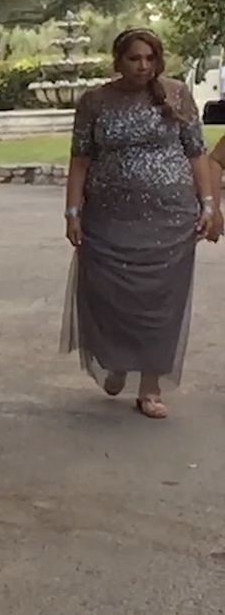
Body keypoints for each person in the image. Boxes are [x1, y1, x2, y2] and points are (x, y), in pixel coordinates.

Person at [61, 27, 214, 419]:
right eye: (134, 58)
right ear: (118, 61)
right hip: (109, 217)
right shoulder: (95, 102)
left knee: (160, 303)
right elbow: (80, 159)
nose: (143, 66)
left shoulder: (177, 94)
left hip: (170, 219)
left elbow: (197, 152)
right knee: (109, 296)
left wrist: (209, 204)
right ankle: (115, 361)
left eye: (150, 58)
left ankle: (150, 387)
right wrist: (72, 212)